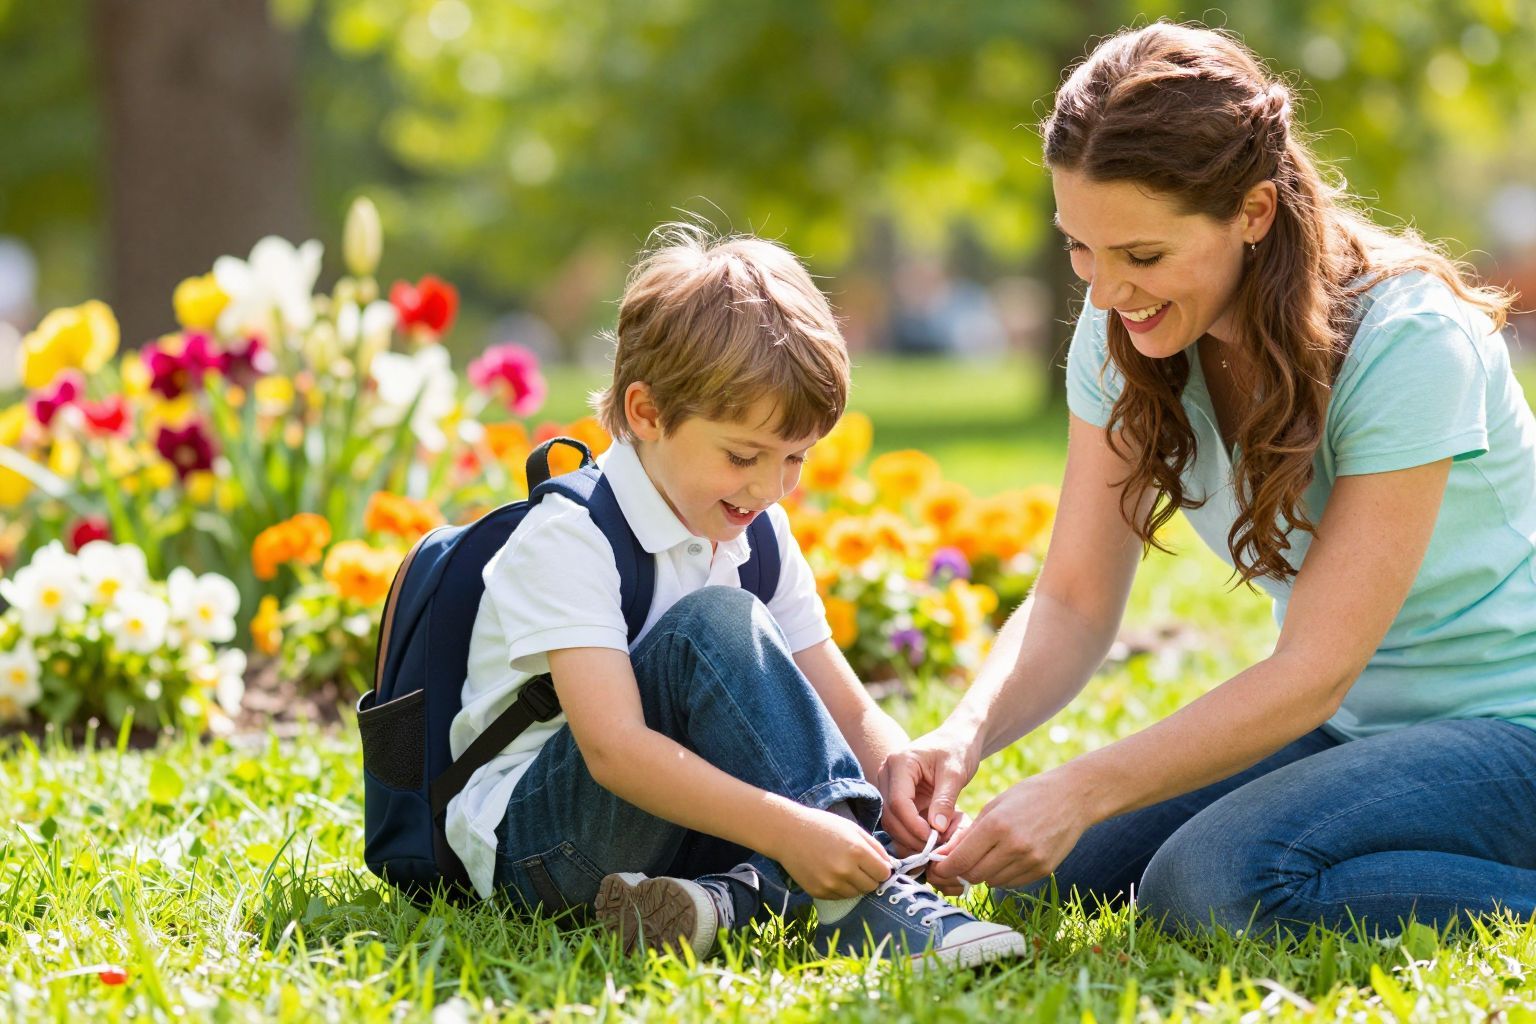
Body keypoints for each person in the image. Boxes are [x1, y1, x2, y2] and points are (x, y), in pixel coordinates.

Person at [881, 21, 1536, 938]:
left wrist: (1081, 785)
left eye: (1142, 255)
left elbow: (1312, 673)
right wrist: (962, 735)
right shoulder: (1129, 332)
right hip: (1355, 730)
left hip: (1513, 726)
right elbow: (1073, 599)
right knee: (1038, 879)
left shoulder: (1409, 341)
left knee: (1214, 883)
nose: (1106, 292)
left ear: (1254, 213)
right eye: (1080, 247)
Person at [447, 224, 1026, 967]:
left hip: (677, 817)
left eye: (795, 459)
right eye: (743, 456)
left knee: (795, 779)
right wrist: (792, 830)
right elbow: (615, 753)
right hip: (543, 847)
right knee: (712, 627)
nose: (770, 487)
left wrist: (894, 776)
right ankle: (860, 900)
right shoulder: (571, 537)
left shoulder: (758, 528)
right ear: (648, 413)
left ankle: (725, 900)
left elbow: (843, 704)